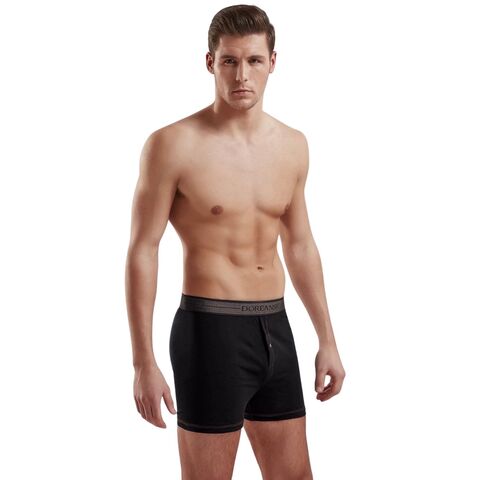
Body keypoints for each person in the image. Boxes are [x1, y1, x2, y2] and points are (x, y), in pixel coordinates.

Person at [125, 4, 346, 479]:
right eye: (229, 61)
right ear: (211, 63)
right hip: (210, 331)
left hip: (276, 328)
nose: (242, 74)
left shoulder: (293, 145)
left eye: (253, 60)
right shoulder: (172, 144)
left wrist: (327, 339)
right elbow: (143, 249)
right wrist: (143, 361)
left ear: (272, 63)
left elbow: (300, 244)